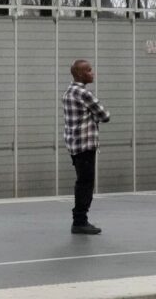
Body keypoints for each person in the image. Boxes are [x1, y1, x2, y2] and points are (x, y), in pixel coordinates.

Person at [64, 59, 111, 235]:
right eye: (89, 70)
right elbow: (105, 115)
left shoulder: (69, 92)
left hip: (74, 144)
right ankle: (80, 221)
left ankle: (79, 219)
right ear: (80, 74)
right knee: (85, 183)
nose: (92, 73)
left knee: (82, 181)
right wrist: (94, 117)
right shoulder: (84, 94)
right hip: (86, 144)